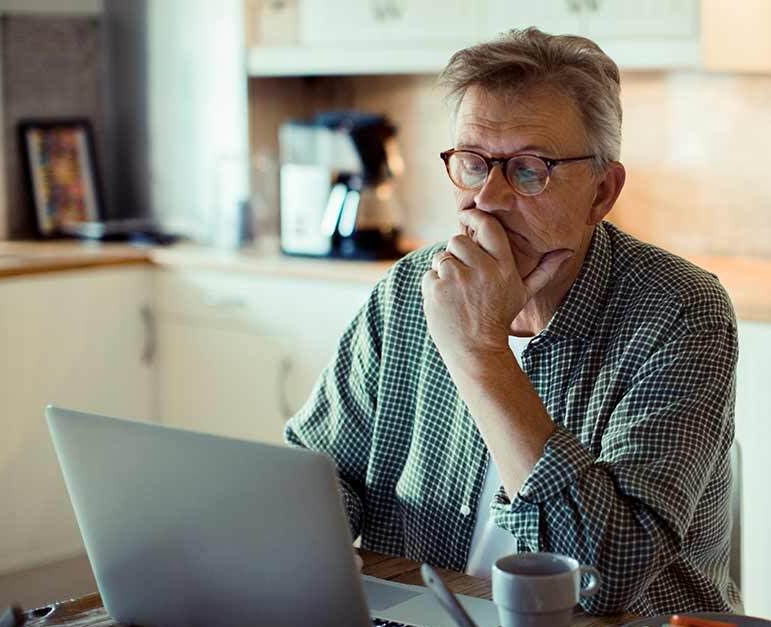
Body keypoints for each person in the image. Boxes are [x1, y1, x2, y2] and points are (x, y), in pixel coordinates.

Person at [285, 27, 741, 616]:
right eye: (474, 164)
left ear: (601, 192)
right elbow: (319, 474)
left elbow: (604, 579)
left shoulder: (680, 311)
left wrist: (480, 352)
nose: (490, 199)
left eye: (529, 169)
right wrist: (305, 540)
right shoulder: (407, 290)